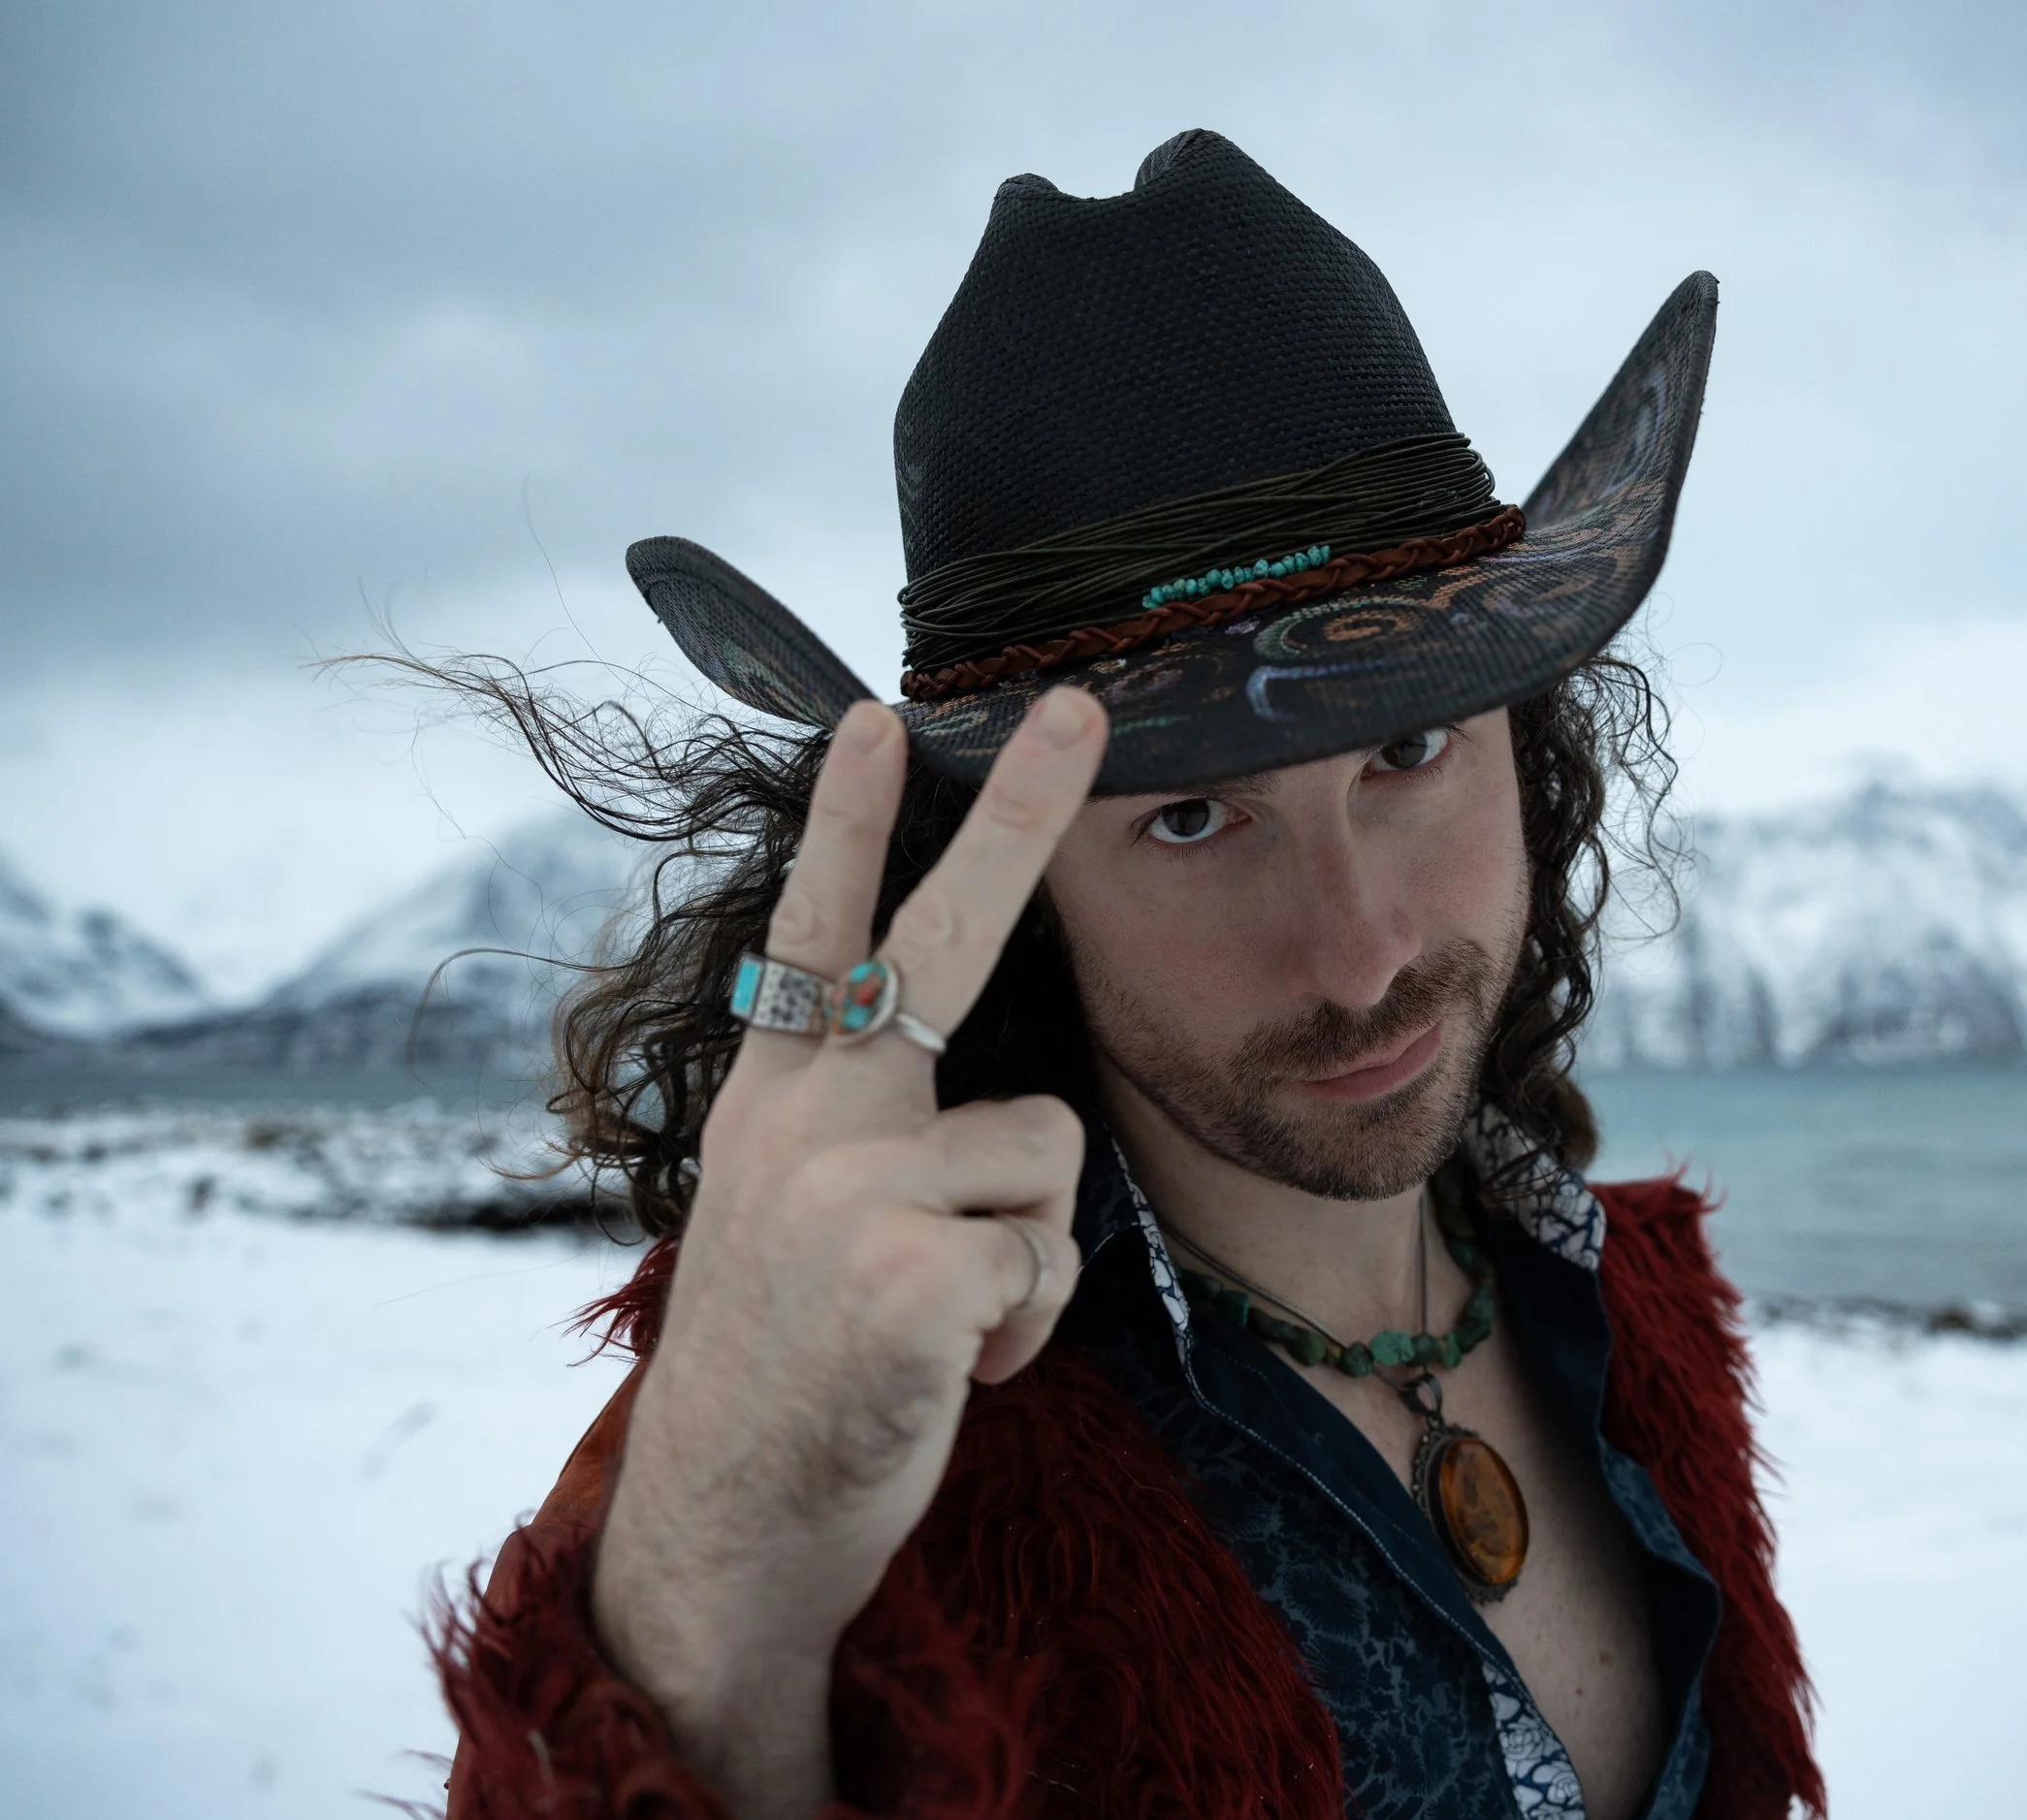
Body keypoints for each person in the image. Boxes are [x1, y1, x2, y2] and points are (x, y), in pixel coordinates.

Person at [431, 130, 1821, 1820]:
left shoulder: (1646, 1312)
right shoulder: (874, 1421)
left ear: (1530, 748)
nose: (1362, 947)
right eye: (1185, 819)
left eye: (1412, 749)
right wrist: (713, 1582)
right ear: (1004, 885)